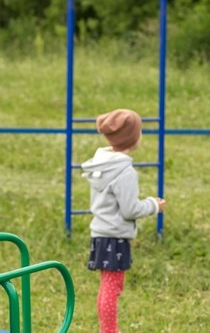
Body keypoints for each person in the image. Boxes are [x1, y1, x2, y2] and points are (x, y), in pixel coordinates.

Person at [80, 109, 166, 333]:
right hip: (115, 236)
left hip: (100, 233)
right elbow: (130, 209)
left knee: (106, 285)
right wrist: (153, 205)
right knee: (112, 287)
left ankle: (106, 328)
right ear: (132, 137)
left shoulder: (102, 165)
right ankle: (109, 330)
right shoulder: (124, 171)